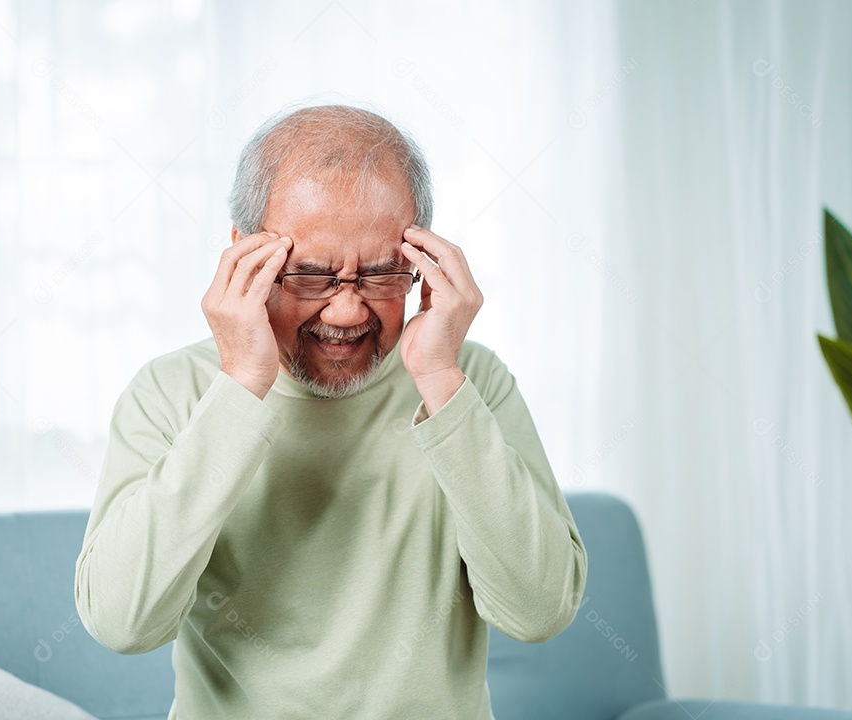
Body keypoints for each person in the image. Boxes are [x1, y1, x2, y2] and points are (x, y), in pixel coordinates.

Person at [74, 103, 587, 720]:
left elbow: (538, 613)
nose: (346, 314)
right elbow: (122, 623)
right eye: (310, 276)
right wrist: (240, 384)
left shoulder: (468, 381)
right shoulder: (170, 391)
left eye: (379, 274)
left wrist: (441, 380)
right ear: (244, 258)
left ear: (421, 261)